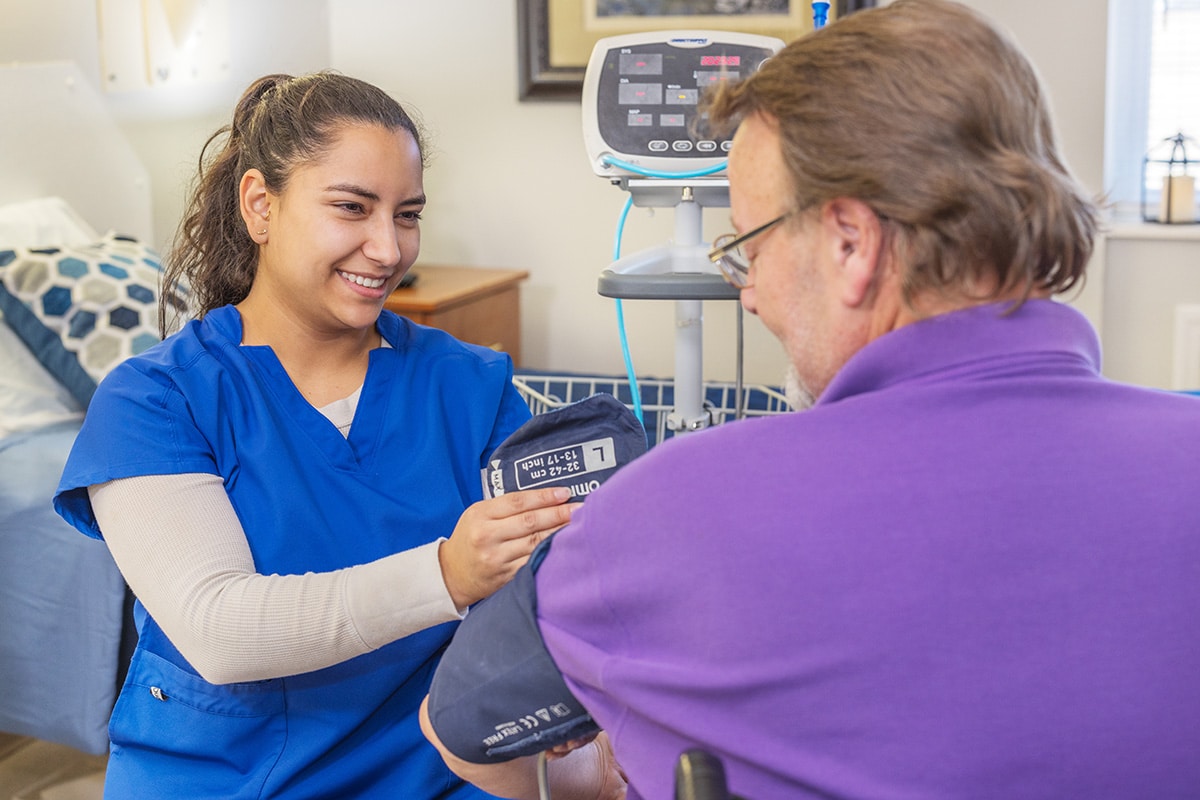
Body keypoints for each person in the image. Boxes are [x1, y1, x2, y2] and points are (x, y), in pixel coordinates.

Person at [419, 2, 1200, 798]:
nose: (749, 294)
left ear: (852, 245)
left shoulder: (668, 509)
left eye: (749, 247)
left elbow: (463, 728)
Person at [52, 71, 582, 799]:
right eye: (352, 208)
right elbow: (220, 630)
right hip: (230, 777)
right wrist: (449, 574)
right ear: (259, 205)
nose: (389, 248)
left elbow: (551, 586)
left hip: (435, 767)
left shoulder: (469, 384)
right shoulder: (157, 399)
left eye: (406, 214)